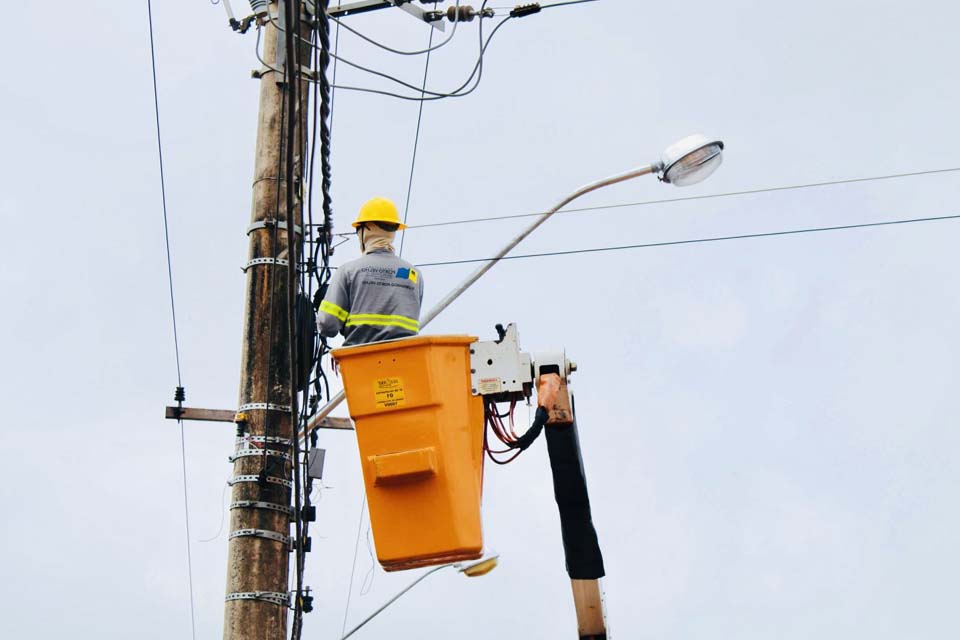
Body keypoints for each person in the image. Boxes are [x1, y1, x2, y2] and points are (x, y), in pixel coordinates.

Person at [316, 197, 424, 346]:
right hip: (404, 361)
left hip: (360, 361)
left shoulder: (349, 272)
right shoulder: (413, 275)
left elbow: (328, 325)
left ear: (366, 230)